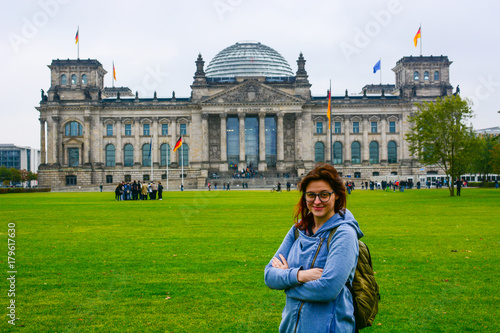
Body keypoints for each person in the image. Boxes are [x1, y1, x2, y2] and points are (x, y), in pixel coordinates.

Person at [265, 163, 363, 333]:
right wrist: (300, 275)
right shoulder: (298, 229)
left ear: (337, 196)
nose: (317, 201)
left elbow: (327, 290)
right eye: (311, 195)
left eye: (324, 195)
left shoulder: (344, 233)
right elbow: (269, 275)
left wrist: (286, 282)